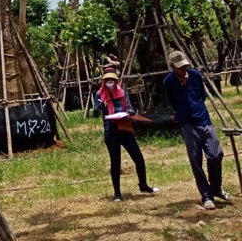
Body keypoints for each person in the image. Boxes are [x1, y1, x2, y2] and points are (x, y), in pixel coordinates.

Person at [164, 50, 234, 210]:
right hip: (187, 124)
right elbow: (172, 102)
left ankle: (216, 189)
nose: (183, 70)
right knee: (196, 160)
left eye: (185, 66)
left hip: (204, 120)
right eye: (180, 67)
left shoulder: (195, 75)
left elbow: (201, 96)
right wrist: (181, 114)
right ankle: (207, 196)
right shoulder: (168, 82)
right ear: (172, 66)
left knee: (216, 154)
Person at [94, 65, 158, 202]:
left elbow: (129, 107)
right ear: (103, 81)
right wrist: (99, 106)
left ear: (116, 81)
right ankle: (117, 193)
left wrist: (131, 111)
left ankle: (143, 185)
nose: (110, 82)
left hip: (124, 128)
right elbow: (95, 113)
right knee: (115, 162)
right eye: (107, 80)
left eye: (112, 80)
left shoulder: (123, 92)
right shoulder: (99, 94)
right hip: (110, 131)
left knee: (139, 158)